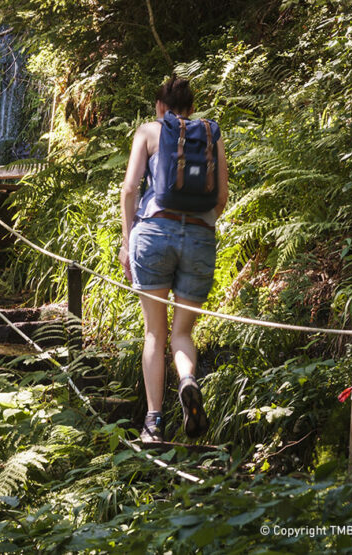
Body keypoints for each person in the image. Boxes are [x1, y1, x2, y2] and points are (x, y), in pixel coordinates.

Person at [118, 76, 229, 444]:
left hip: (154, 233)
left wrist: (126, 240)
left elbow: (131, 188)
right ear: (191, 108)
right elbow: (222, 197)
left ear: (160, 107)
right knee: (182, 332)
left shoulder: (148, 131)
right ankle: (187, 380)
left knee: (155, 332)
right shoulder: (212, 134)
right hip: (199, 237)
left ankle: (153, 423)